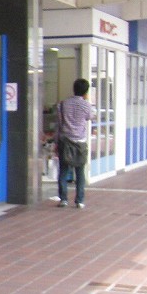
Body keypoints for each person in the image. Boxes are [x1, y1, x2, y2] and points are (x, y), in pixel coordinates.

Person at [55, 78, 93, 209]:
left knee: (63, 171)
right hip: (80, 142)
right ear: (86, 92)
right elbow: (90, 117)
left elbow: (59, 123)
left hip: (65, 141)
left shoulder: (63, 104)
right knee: (80, 172)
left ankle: (63, 199)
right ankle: (79, 201)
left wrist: (56, 141)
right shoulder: (86, 105)